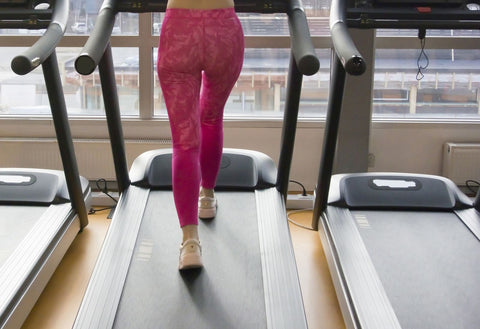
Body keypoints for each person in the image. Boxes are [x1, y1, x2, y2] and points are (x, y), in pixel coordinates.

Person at [157, 0, 244, 270]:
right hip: (224, 33)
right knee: (211, 118)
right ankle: (206, 197)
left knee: (184, 143)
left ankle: (190, 243)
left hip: (179, 31)